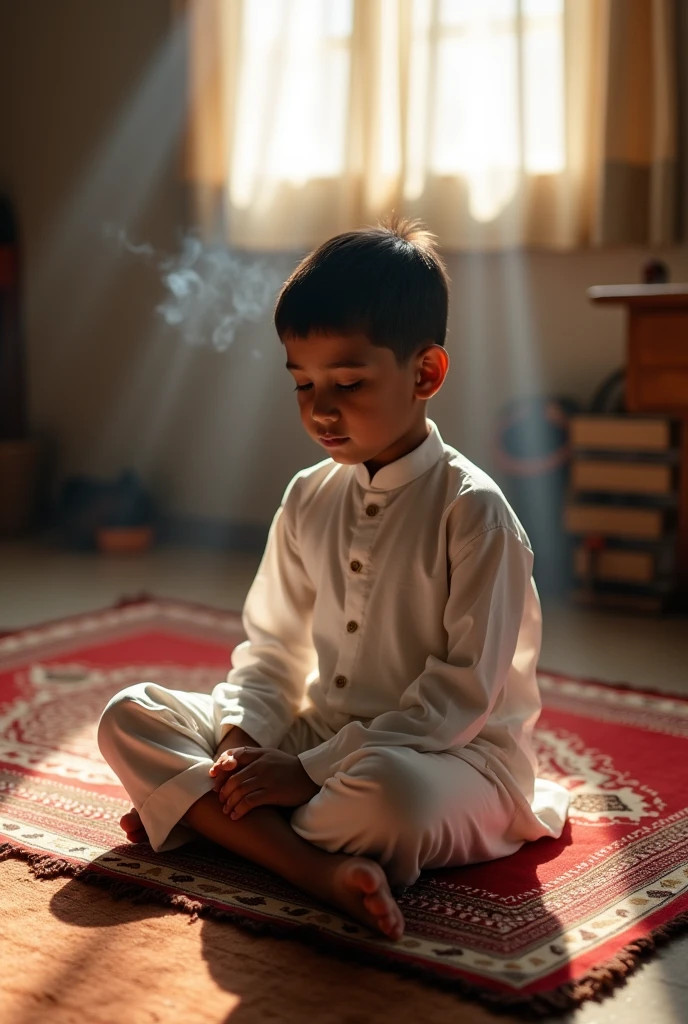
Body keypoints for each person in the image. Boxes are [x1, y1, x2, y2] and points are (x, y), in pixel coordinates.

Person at [97, 218, 570, 943]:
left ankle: (211, 821)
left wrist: (306, 771)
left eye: (348, 382)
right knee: (131, 714)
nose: (320, 408)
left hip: (452, 762)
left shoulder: (474, 513)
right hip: (316, 737)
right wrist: (237, 743)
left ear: (425, 374)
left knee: (387, 801)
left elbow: (458, 703)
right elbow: (272, 653)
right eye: (303, 383)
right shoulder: (307, 495)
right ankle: (307, 865)